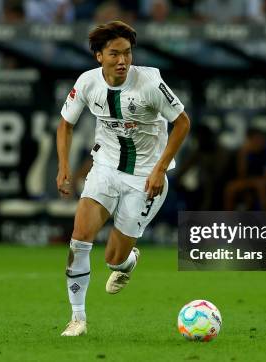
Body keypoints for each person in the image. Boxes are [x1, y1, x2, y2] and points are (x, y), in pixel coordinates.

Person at [57, 20, 190, 336]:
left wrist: (160, 169)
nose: (122, 61)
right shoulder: (88, 83)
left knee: (113, 258)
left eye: (127, 53)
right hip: (104, 168)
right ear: (99, 56)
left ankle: (126, 263)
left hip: (145, 179)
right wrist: (64, 167)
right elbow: (65, 124)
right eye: (114, 54)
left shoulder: (150, 82)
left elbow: (182, 123)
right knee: (79, 237)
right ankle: (77, 319)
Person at [224, 128, 266, 211]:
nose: (259, 142)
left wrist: (256, 181)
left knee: (261, 186)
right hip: (251, 181)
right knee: (231, 187)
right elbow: (241, 174)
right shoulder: (245, 152)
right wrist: (243, 155)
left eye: (260, 139)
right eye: (255, 140)